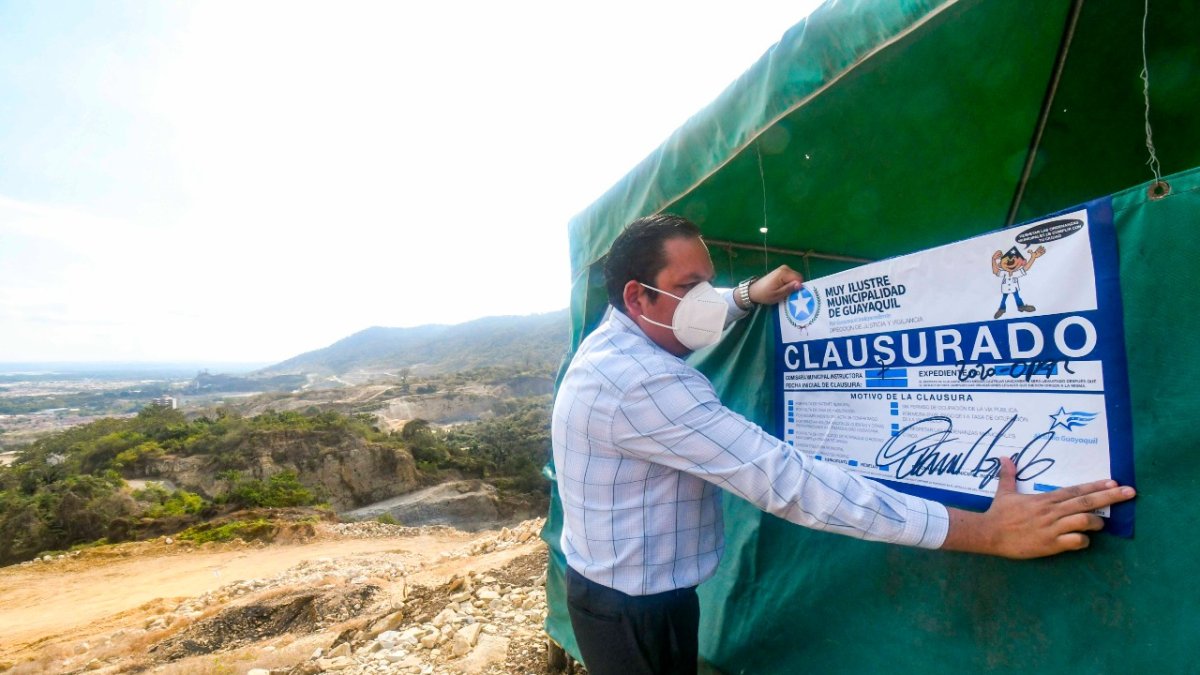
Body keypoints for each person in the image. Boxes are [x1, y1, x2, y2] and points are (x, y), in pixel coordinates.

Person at [551, 214, 1136, 675]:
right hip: (631, 610)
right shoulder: (641, 382)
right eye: (690, 287)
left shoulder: (621, 344)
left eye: (711, 282)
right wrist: (987, 530)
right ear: (637, 296)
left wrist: (747, 295)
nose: (708, 298)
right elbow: (789, 481)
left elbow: (696, 312)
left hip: (635, 589)